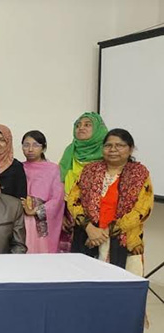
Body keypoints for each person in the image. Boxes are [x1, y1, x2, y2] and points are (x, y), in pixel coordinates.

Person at [67, 129, 153, 275]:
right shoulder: (89, 170)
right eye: (108, 145)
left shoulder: (139, 173)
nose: (113, 149)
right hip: (87, 236)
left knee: (122, 284)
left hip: (125, 240)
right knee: (85, 280)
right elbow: (73, 200)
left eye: (120, 145)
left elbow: (142, 209)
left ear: (131, 148)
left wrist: (104, 233)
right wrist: (89, 228)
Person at [58, 112, 108, 252]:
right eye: (78, 125)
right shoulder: (70, 151)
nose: (81, 128)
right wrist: (60, 215)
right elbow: (59, 183)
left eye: (87, 125)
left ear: (98, 129)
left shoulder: (108, 155)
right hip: (70, 214)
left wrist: (94, 229)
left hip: (102, 222)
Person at [20, 131, 65, 253]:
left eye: (35, 145)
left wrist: (35, 210)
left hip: (41, 221)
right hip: (20, 219)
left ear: (43, 148)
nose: (30, 149)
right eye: (26, 145)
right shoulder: (18, 167)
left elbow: (57, 199)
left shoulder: (53, 169)